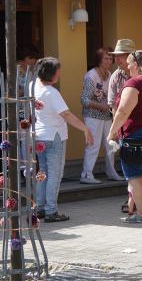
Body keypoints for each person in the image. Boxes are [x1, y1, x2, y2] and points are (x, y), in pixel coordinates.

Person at [32, 57, 93, 223]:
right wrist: (84, 128)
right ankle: (51, 210)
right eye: (57, 71)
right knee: (55, 174)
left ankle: (39, 208)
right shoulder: (52, 92)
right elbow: (66, 114)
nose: (59, 73)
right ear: (51, 73)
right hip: (54, 136)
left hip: (40, 135)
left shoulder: (33, 87)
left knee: (42, 172)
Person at [108, 50, 142, 223]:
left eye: (129, 63)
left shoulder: (134, 83)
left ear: (135, 65)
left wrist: (112, 132)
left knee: (134, 176)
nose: (127, 66)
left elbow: (122, 111)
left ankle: (141, 214)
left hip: (133, 134)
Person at [79, 47, 123, 184]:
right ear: (99, 59)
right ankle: (86, 174)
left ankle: (111, 172)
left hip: (107, 116)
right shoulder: (91, 76)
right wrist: (101, 106)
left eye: (111, 58)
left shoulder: (110, 74)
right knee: (93, 145)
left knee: (110, 145)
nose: (109, 61)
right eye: (106, 58)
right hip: (92, 116)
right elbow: (84, 99)